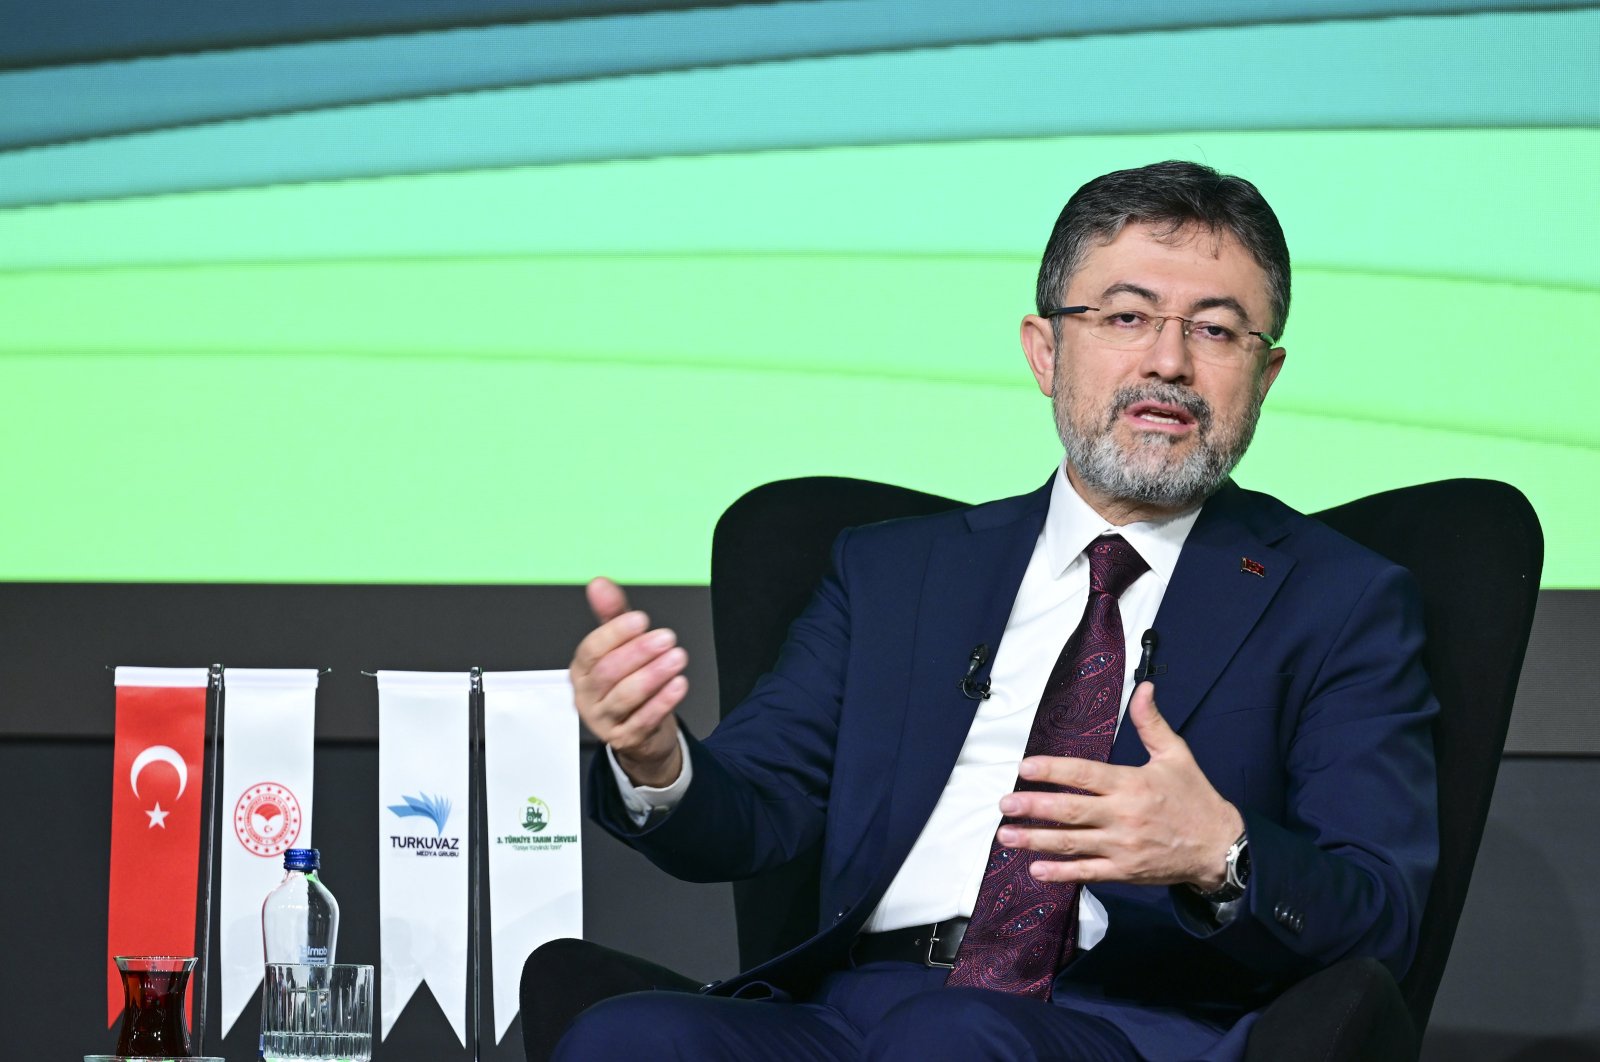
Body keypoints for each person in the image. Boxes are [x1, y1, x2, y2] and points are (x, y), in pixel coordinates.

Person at [545, 160, 1439, 1060]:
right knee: (632, 1035)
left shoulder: (1338, 599)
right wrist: (654, 760)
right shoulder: (892, 572)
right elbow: (755, 808)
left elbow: (1382, 916)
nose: (1169, 361)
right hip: (856, 1011)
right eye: (1127, 317)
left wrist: (1223, 852)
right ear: (1045, 351)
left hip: (1119, 1026)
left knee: (956, 1037)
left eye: (1215, 329)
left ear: (1266, 372)